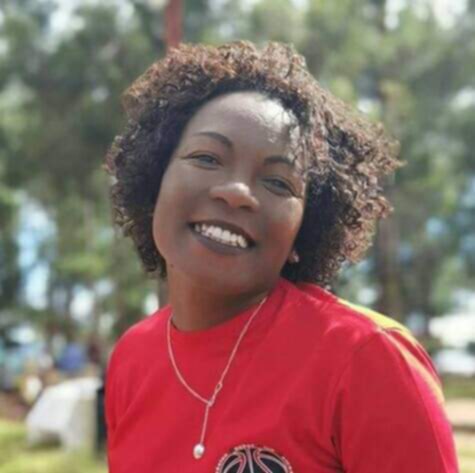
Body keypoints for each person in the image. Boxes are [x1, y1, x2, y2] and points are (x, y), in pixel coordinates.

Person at [104, 42, 458, 472]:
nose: (237, 192)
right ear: (154, 179)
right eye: (207, 158)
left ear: (302, 230)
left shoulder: (366, 357)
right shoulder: (131, 359)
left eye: (277, 183)